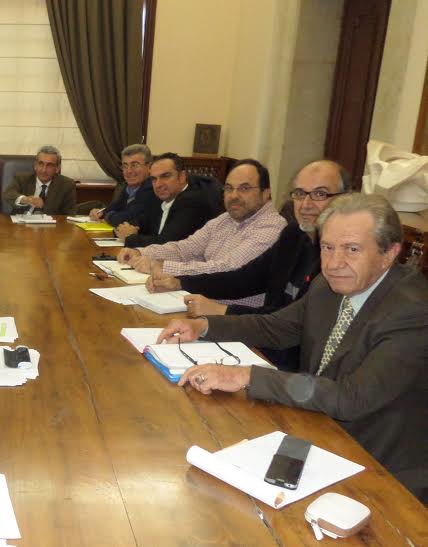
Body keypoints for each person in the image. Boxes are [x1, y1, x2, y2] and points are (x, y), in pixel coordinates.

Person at [158, 193, 428, 503]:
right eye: (327, 247)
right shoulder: (329, 285)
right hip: (320, 430)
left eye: (352, 249)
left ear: (389, 253)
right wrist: (205, 326)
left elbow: (352, 398)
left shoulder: (412, 311)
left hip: (382, 468)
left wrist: (245, 376)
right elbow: (276, 327)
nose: (334, 263)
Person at [146, 160, 348, 370]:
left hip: (288, 362)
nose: (306, 204)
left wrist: (223, 311)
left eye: (320, 194)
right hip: (260, 345)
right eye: (299, 193)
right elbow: (245, 278)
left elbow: (290, 324)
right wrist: (180, 282)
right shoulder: (293, 235)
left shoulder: (335, 260)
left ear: (345, 199)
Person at [118, 158, 287, 307]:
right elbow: (185, 248)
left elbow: (228, 268)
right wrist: (141, 252)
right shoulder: (226, 219)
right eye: (229, 188)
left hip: (235, 316)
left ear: (266, 193)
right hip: (198, 302)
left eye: (244, 188)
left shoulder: (272, 227)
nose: (234, 195)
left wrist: (164, 267)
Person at [115, 152, 214, 247]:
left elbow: (168, 245)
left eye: (165, 176)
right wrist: (124, 229)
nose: (158, 185)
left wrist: (130, 237)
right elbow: (140, 222)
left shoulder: (195, 202)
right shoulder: (160, 198)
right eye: (154, 179)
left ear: (182, 177)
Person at [88, 144, 158, 225]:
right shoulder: (127, 188)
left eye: (134, 165)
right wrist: (100, 213)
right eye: (125, 166)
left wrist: (107, 216)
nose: (129, 171)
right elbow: (113, 208)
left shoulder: (152, 188)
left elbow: (126, 218)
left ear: (149, 167)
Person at [1, 145, 76, 215]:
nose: (44, 170)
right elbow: (8, 193)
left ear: (57, 169)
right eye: (41, 164)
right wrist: (27, 199)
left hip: (51, 224)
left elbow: (68, 215)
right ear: (35, 165)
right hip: (21, 222)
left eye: (49, 165)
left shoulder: (66, 185)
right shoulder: (22, 179)